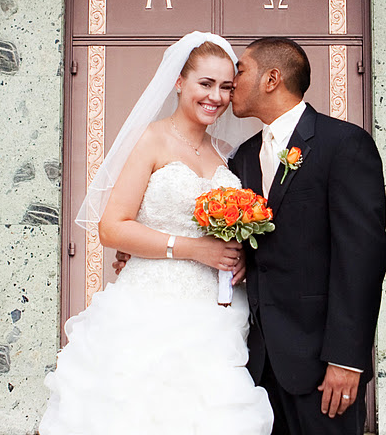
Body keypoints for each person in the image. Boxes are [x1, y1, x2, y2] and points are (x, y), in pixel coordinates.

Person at [38, 32, 273, 434]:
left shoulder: (229, 154)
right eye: (205, 83)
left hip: (217, 314)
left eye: (225, 87)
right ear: (179, 82)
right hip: (151, 306)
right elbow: (111, 228)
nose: (215, 96)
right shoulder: (150, 140)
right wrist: (194, 250)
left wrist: (242, 256)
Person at [228, 37, 386, 435]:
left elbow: (362, 258)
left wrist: (347, 359)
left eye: (241, 70)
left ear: (271, 78)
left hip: (321, 364)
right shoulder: (244, 156)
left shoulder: (344, 144)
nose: (232, 81)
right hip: (257, 363)